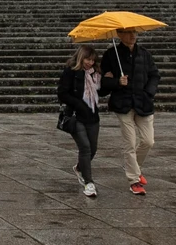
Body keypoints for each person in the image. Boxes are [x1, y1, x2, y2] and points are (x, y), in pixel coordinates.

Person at [101, 26, 160, 195]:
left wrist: (149, 92)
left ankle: (134, 166)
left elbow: (154, 75)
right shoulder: (111, 55)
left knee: (149, 141)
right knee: (130, 143)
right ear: (119, 35)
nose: (133, 35)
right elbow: (103, 82)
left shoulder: (145, 54)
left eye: (134, 32)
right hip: (123, 104)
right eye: (128, 32)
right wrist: (118, 82)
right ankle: (134, 180)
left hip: (143, 103)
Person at [56, 45, 103, 198]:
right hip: (76, 115)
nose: (90, 63)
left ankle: (79, 167)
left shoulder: (95, 74)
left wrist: (114, 81)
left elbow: (101, 91)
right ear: (81, 57)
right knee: (85, 147)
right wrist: (79, 104)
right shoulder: (71, 71)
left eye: (92, 60)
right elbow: (62, 93)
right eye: (87, 59)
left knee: (93, 148)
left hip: (92, 115)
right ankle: (89, 183)